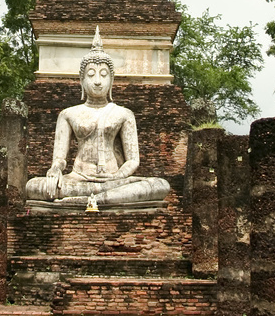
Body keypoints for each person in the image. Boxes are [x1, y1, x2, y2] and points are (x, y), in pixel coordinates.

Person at [25, 28, 170, 209]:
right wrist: (55, 170)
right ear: (81, 80)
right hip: (78, 179)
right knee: (33, 186)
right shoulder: (68, 114)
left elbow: (133, 160)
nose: (97, 81)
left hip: (114, 180)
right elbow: (60, 158)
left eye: (103, 74)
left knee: (159, 185)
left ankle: (91, 201)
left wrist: (118, 176)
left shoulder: (124, 114)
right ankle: (102, 198)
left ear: (112, 80)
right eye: (91, 74)